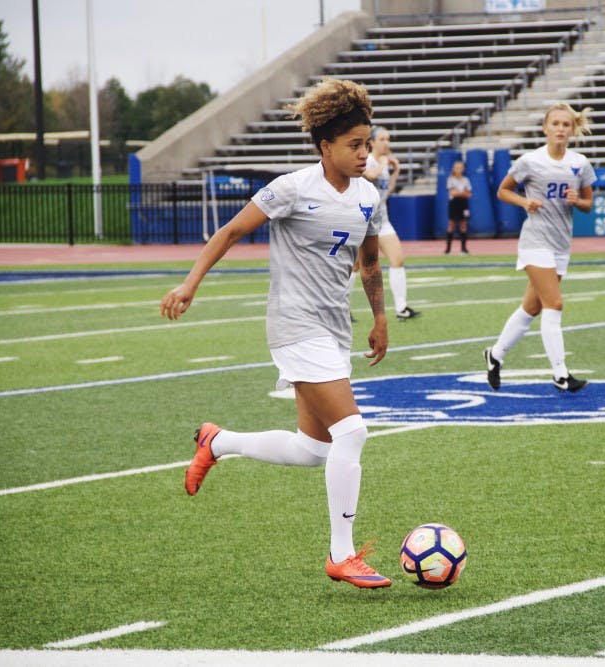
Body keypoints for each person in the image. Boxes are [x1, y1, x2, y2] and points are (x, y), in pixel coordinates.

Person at [159, 79, 392, 589]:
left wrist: (379, 317)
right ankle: (342, 554)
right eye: (354, 144)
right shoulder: (291, 188)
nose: (364, 153)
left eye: (367, 142)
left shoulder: (369, 195)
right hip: (293, 325)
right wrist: (190, 282)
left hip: (333, 330)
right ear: (324, 146)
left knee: (316, 450)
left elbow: (369, 260)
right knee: (353, 432)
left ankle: (218, 443)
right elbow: (230, 232)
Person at [483, 102, 596, 393]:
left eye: (565, 124)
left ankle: (495, 355)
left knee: (532, 307)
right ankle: (560, 374)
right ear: (545, 128)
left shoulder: (580, 162)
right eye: (555, 124)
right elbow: (503, 190)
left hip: (561, 243)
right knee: (554, 304)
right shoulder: (530, 161)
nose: (560, 129)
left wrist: (577, 201)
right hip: (535, 240)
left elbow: (588, 204)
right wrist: (525, 202)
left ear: (572, 129)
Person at [349, 126, 421, 320]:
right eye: (381, 139)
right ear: (371, 142)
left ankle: (401, 308)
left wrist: (395, 172)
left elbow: (385, 192)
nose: (386, 143)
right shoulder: (367, 160)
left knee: (397, 259)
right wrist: (382, 163)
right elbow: (371, 176)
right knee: (354, 266)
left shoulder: (383, 163)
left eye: (388, 139)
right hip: (364, 221)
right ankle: (341, 307)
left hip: (382, 220)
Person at [445, 160, 472, 255]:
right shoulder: (450, 179)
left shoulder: (466, 180)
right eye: (456, 168)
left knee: (463, 225)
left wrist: (459, 193)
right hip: (454, 203)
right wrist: (462, 193)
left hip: (463, 204)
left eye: (460, 168)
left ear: (463, 169)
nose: (458, 170)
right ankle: (448, 249)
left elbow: (469, 194)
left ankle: (463, 249)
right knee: (451, 224)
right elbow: (452, 193)